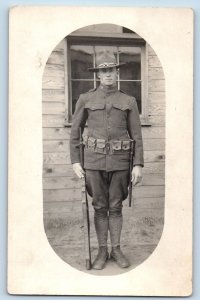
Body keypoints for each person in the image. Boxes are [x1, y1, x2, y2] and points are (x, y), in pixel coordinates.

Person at [70, 50, 144, 270]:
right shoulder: (86, 99)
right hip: (92, 162)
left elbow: (137, 135)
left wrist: (138, 164)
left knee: (116, 206)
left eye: (111, 70)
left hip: (121, 162)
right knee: (100, 207)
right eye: (104, 71)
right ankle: (102, 251)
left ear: (116, 73)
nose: (108, 74)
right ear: (98, 75)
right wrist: (75, 161)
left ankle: (116, 249)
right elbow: (75, 132)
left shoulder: (128, 100)